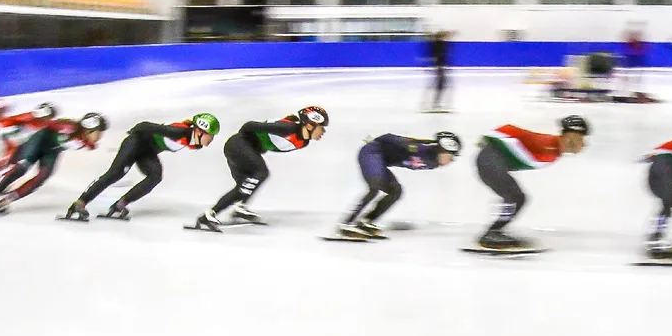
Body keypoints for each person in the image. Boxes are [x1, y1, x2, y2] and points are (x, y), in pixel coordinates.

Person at [190, 106, 328, 231]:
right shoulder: (287, 128)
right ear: (309, 125)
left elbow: (269, 145)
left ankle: (239, 208)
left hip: (245, 149)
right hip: (238, 145)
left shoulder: (303, 142)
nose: (323, 131)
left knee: (244, 187)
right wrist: (249, 141)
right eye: (321, 127)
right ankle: (208, 215)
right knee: (260, 174)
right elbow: (248, 126)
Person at [63, 113, 221, 221]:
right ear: (199, 131)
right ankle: (79, 203)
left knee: (155, 176)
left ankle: (121, 204)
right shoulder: (180, 131)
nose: (212, 139)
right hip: (135, 143)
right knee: (116, 173)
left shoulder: (194, 141)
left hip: (148, 150)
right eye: (210, 135)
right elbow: (144, 125)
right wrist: (134, 132)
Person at [473, 115, 590, 251]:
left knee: (516, 197)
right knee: (515, 197)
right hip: (489, 161)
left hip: (492, 162)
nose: (584, 144)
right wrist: (490, 137)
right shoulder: (548, 145)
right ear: (570, 138)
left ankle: (494, 232)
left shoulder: (553, 150)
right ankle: (492, 233)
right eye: (581, 139)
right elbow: (511, 129)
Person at [0, 114, 108, 216]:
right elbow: (47, 125)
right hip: (38, 142)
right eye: (99, 132)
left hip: (52, 151)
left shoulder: (88, 143)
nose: (100, 136)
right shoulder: (70, 128)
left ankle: (7, 200)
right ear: (88, 129)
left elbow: (86, 144)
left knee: (43, 176)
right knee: (22, 167)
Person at [337, 131, 461, 239]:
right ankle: (347, 223)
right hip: (371, 153)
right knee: (375, 187)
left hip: (380, 161)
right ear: (441, 150)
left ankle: (366, 221)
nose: (451, 161)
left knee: (396, 191)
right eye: (450, 156)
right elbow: (388, 137)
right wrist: (396, 143)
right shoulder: (420, 149)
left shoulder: (433, 163)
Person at [423, 30, 452, 112]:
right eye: (446, 36)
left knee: (440, 85)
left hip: (440, 66)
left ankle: (434, 104)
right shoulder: (438, 44)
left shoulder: (440, 43)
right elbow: (437, 55)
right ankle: (434, 104)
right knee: (439, 85)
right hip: (439, 67)